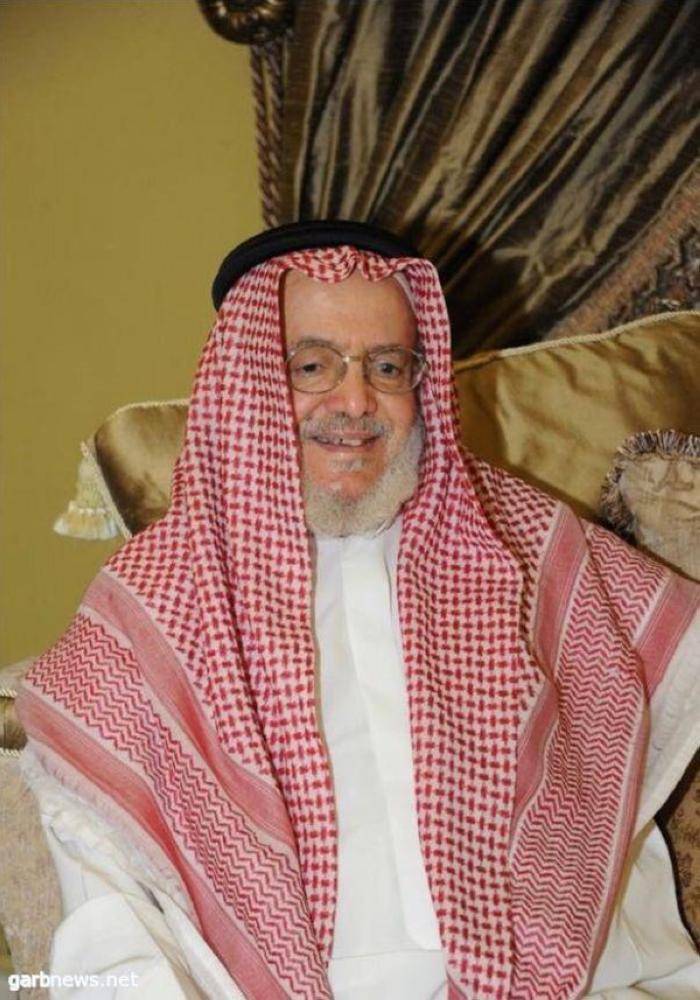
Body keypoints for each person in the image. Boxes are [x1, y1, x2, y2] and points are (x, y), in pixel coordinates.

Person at [17, 221, 700, 999]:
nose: (354, 401)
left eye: (387, 366)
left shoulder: (522, 545)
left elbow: (633, 743)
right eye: (312, 366)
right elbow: (112, 933)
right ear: (250, 382)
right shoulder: (150, 607)